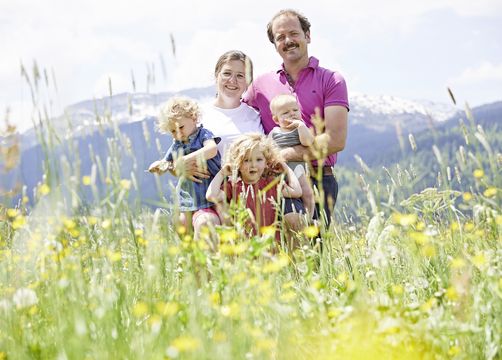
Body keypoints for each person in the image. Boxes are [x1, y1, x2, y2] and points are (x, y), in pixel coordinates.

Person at [243, 9, 349, 223]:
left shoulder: (332, 80)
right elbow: (235, 114)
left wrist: (286, 154)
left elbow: (336, 140)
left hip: (320, 178)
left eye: (293, 33)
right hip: (275, 180)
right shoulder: (260, 86)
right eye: (280, 37)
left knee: (312, 251)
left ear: (307, 35)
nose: (288, 41)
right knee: (276, 251)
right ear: (274, 44)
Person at [206, 133, 303, 247]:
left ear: (266, 163)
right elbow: (211, 196)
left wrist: (285, 167)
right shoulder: (233, 186)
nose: (253, 165)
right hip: (246, 245)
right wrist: (222, 173)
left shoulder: (271, 184)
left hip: (271, 244)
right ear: (237, 163)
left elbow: (297, 191)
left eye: (259, 159)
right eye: (246, 160)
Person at [148, 96, 221, 238]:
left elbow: (212, 150)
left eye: (180, 127)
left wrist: (185, 159)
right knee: (181, 224)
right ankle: (189, 253)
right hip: (187, 197)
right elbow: (167, 163)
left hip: (207, 193)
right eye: (173, 131)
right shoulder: (176, 144)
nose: (178, 134)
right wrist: (159, 166)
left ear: (194, 118)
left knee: (204, 222)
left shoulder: (203, 135)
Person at [202, 50, 264, 158]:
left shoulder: (256, 116)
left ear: (248, 81)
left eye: (240, 76)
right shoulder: (199, 115)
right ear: (217, 75)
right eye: (227, 73)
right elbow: (176, 160)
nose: (232, 80)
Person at [269, 94, 315, 218]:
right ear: (276, 120)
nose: (292, 114)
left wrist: (301, 126)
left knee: (307, 193)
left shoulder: (300, 129)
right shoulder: (274, 132)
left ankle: (308, 217)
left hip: (298, 168)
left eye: (295, 110)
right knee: (282, 191)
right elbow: (268, 149)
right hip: (281, 171)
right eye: (285, 113)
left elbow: (308, 142)